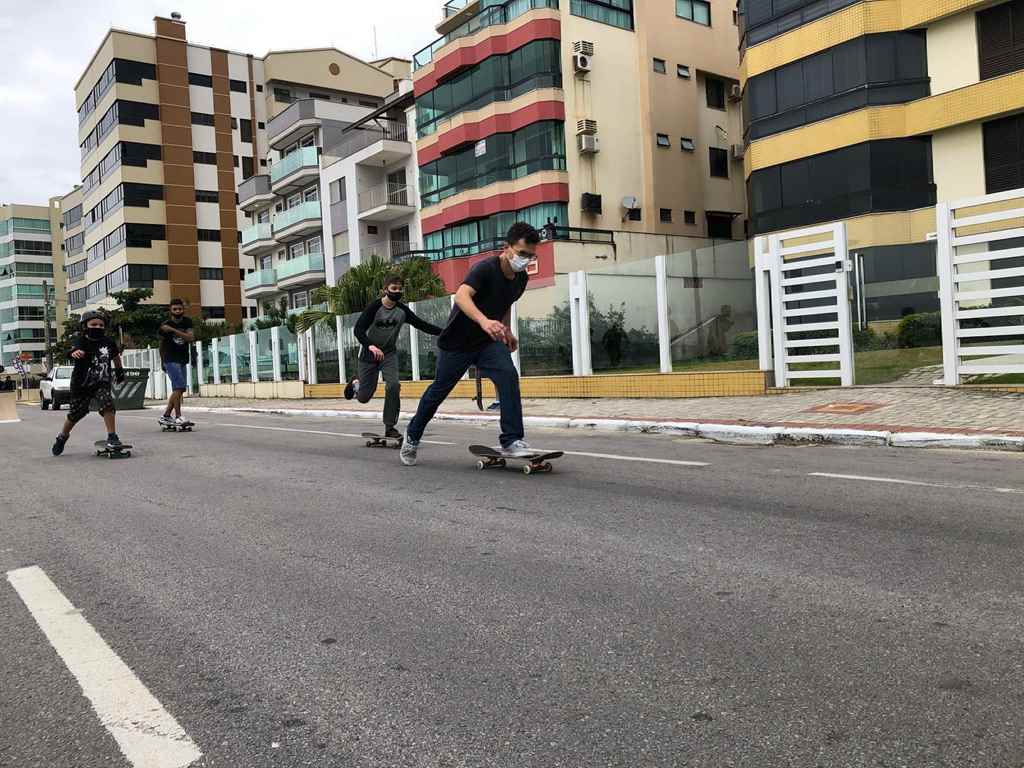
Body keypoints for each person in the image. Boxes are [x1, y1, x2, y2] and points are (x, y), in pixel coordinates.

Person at [400, 222, 538, 466]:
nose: (525, 260)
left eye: (530, 255)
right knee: (438, 392)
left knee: (508, 376)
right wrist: (484, 321)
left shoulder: (520, 279)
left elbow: (504, 304)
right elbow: (462, 295)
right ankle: (412, 435)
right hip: (456, 343)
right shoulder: (485, 268)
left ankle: (512, 440)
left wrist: (506, 331)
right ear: (506, 248)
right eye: (522, 253)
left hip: (487, 343)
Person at [345, 273, 443, 439]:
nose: (397, 291)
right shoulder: (374, 308)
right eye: (393, 288)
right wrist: (371, 346)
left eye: (399, 289)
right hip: (369, 355)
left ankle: (390, 426)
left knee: (393, 385)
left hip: (388, 354)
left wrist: (444, 332)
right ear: (385, 290)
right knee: (363, 397)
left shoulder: (402, 311)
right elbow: (358, 330)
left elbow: (421, 324)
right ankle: (356, 384)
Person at [52, 311, 125, 456]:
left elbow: (116, 356)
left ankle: (112, 436)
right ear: (85, 326)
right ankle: (62, 436)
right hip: (81, 385)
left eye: (101, 325)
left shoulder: (108, 342)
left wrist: (119, 371)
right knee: (76, 413)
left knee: (107, 404)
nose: (97, 327)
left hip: (101, 383)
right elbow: (72, 350)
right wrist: (75, 352)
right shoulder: (80, 341)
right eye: (93, 324)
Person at [158, 298, 196, 428]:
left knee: (178, 389)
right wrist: (162, 361)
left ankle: (166, 416)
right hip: (170, 359)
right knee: (180, 387)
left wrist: (174, 331)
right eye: (175, 309)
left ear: (183, 309)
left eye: (180, 309)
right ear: (170, 310)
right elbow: (161, 345)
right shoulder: (165, 325)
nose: (177, 311)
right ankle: (178, 417)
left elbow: (190, 338)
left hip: (182, 359)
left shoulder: (187, 322)